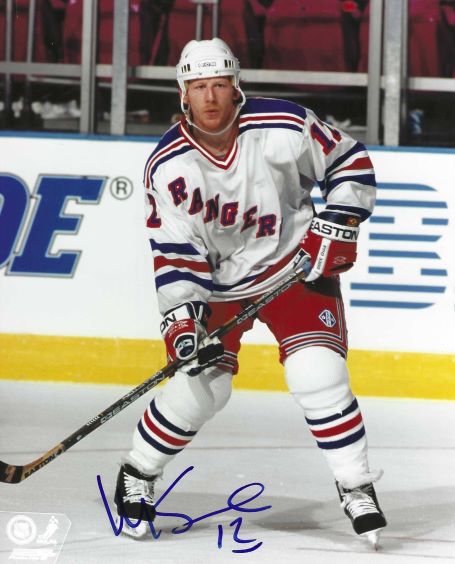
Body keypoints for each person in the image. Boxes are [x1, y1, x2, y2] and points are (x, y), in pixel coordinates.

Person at [113, 37, 387, 546]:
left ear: (236, 87)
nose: (210, 96)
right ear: (183, 94)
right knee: (203, 388)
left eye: (219, 84)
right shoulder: (167, 166)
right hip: (217, 287)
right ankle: (139, 470)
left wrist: (342, 217)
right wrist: (184, 321)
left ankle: (356, 486)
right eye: (199, 86)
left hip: (293, 268)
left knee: (318, 373)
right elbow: (176, 253)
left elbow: (349, 161)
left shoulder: (284, 125)